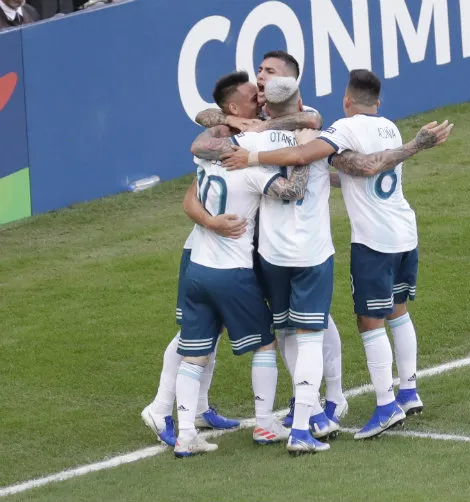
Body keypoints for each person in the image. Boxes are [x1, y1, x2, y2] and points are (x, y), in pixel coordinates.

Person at [220, 69, 453, 438]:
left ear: (346, 101)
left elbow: (303, 154)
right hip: (405, 232)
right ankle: (408, 390)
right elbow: (354, 169)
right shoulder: (389, 127)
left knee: (368, 320)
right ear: (378, 102)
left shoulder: (342, 129)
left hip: (373, 241)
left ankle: (385, 404)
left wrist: (252, 158)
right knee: (398, 312)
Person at [191, 76, 340, 454]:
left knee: (287, 333)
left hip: (271, 256)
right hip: (312, 253)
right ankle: (307, 425)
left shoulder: (249, 141)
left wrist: (243, 128)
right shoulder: (319, 138)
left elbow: (203, 145)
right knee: (309, 338)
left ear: (266, 107)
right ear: (301, 102)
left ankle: (307, 415)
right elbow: (300, 185)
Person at [139, 72, 261, 446]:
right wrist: (212, 223)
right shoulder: (221, 146)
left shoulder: (249, 132)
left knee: (213, 330)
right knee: (194, 335)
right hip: (203, 249)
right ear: (236, 107)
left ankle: (200, 408)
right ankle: (160, 409)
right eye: (253, 96)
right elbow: (189, 199)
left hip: (224, 250)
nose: (260, 98)